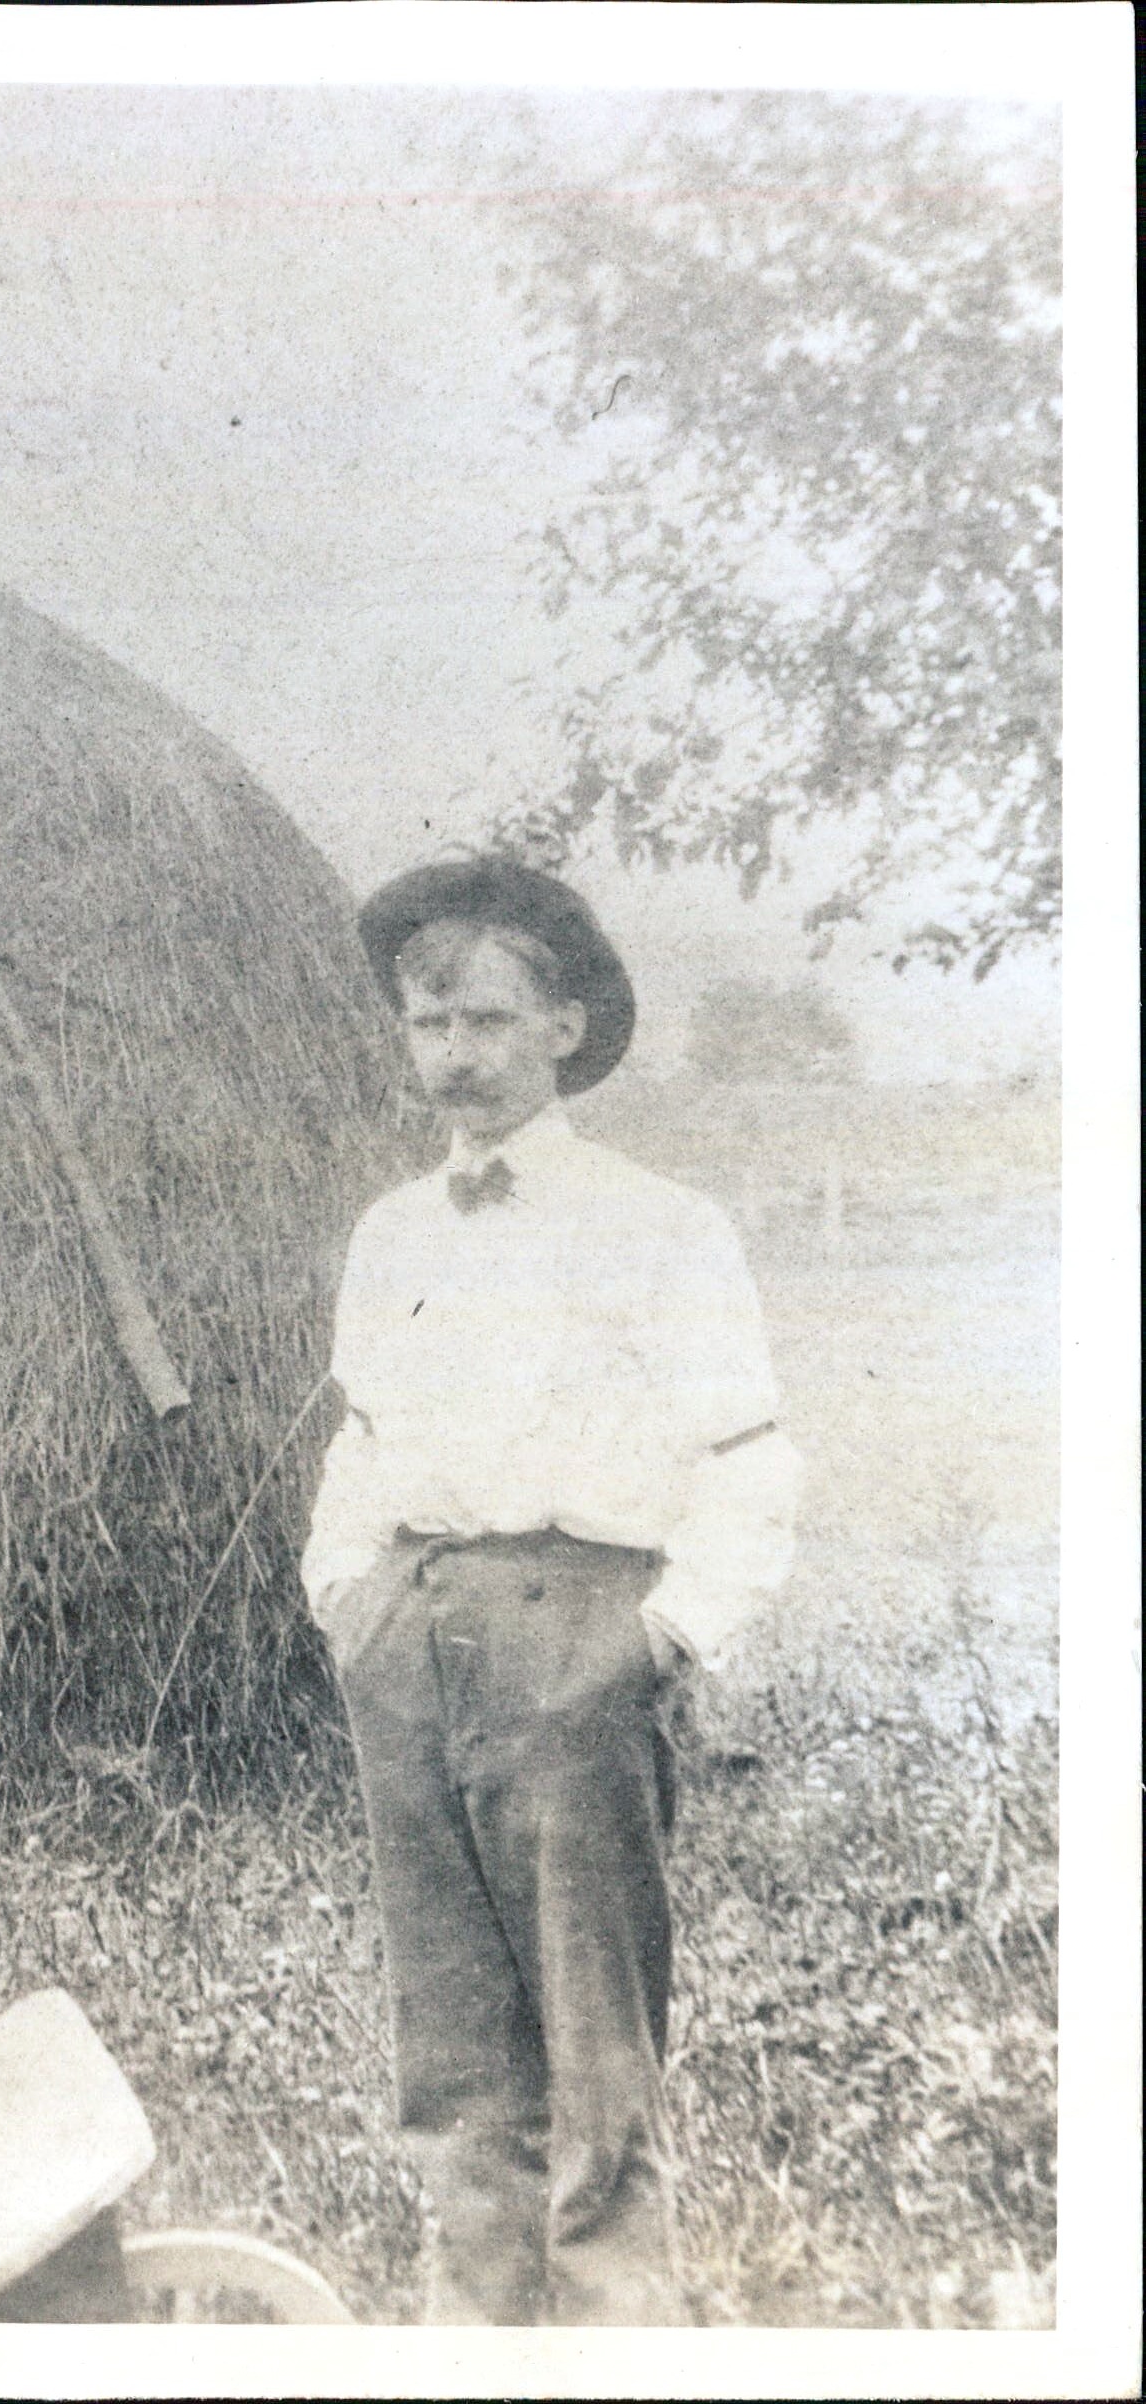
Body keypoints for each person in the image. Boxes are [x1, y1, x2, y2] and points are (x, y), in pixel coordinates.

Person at [304, 857, 801, 2326]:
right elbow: (362, 1438)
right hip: (413, 1638)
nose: (451, 1055)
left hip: (578, 1635)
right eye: (425, 1024)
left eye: (483, 1022)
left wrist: (658, 1634)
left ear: (562, 1030)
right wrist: (347, 1596)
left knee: (592, 2041)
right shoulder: (389, 1231)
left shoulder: (659, 1227)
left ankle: (609, 2336)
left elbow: (747, 1455)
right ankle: (469, 2329)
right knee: (454, 2042)